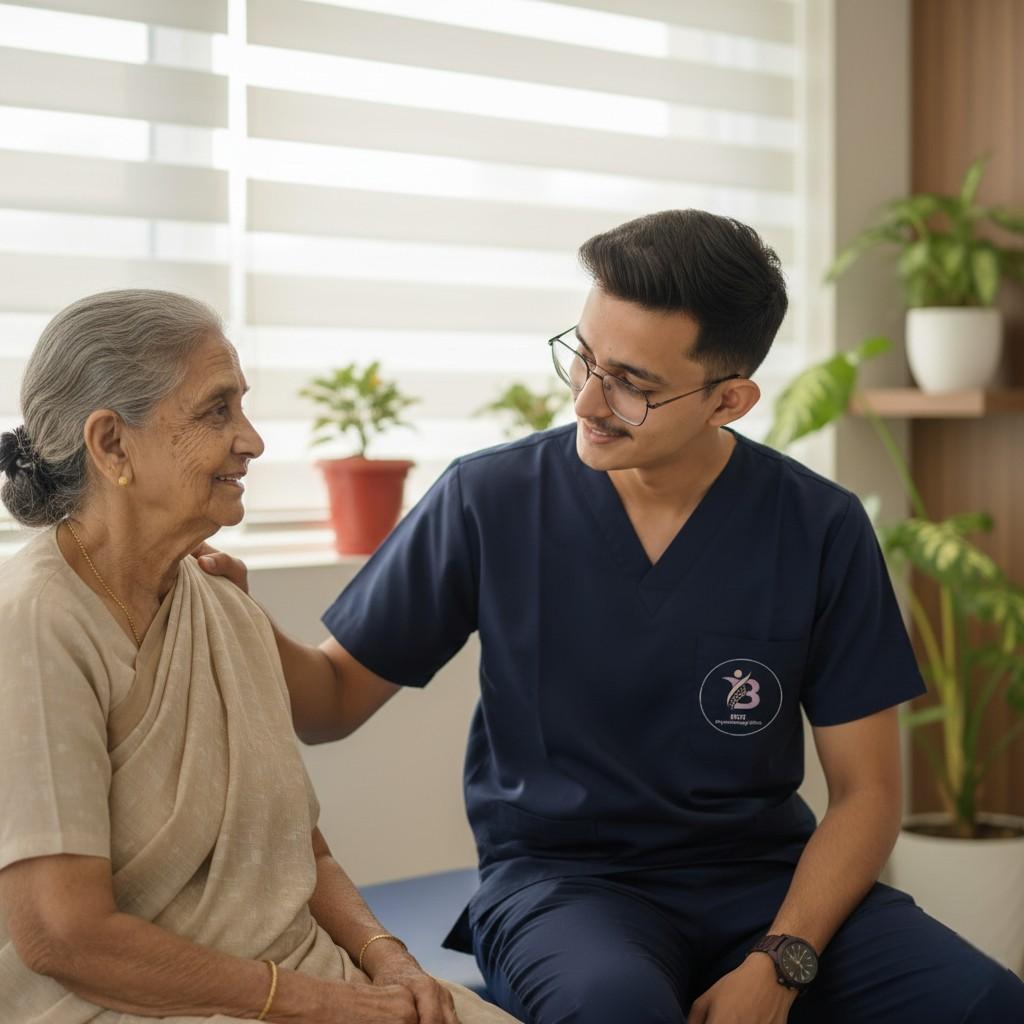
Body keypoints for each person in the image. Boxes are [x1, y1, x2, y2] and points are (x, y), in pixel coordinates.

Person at [199, 210, 1024, 1024]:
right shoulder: (492, 499)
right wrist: (235, 612)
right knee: (616, 1008)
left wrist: (783, 959)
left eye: (634, 383)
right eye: (585, 358)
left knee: (986, 1002)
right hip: (564, 888)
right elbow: (332, 701)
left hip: (767, 885)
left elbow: (869, 791)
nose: (590, 399)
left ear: (728, 399)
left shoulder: (819, 527)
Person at [0, 290, 519, 1024]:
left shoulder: (221, 604)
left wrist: (389, 960)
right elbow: (64, 937)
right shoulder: (33, 624)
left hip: (300, 977)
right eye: (217, 411)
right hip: (134, 1003)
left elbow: (304, 855)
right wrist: (321, 1005)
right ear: (113, 444)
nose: (252, 440)